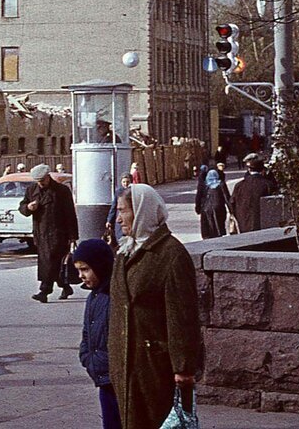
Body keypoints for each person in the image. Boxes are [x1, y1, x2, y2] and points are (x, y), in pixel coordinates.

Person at [109, 184, 201, 429]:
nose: (118, 219)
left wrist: (183, 368)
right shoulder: (125, 250)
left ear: (141, 211)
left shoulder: (171, 254)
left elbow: (183, 316)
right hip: (125, 363)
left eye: (123, 211)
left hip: (154, 367)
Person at [73, 238, 122, 429]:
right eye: (79, 270)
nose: (81, 276)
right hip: (102, 374)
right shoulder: (93, 297)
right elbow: (87, 332)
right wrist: (86, 356)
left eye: (85, 269)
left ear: (100, 266)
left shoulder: (114, 296)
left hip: (116, 376)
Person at [19, 163, 79, 303]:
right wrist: (28, 207)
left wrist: (72, 236)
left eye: (42, 181)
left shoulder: (61, 191)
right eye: (38, 181)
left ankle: (44, 291)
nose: (40, 184)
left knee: (51, 261)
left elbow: (70, 213)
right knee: (50, 263)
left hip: (58, 233)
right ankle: (65, 286)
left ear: (48, 177)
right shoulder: (32, 189)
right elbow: (22, 206)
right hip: (40, 233)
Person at [232, 154, 279, 233]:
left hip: (244, 223)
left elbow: (232, 203)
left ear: (249, 170)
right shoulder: (268, 185)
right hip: (262, 224)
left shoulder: (239, 185)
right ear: (262, 170)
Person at [195, 166, 234, 240]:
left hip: (205, 209)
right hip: (218, 208)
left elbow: (199, 197)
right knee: (218, 227)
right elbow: (227, 198)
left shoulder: (205, 185)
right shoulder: (221, 184)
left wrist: (198, 208)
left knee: (208, 230)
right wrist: (232, 210)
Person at [104, 174, 133, 244]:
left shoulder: (133, 191)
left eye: (127, 182)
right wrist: (109, 220)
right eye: (124, 182)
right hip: (120, 217)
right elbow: (114, 206)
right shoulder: (118, 192)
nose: (125, 184)